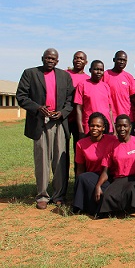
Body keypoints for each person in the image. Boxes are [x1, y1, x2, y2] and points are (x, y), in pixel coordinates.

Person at [16, 48, 74, 209]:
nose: (50, 60)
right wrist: (38, 108)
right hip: (40, 122)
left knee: (60, 160)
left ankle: (59, 195)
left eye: (53, 59)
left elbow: (70, 100)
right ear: (42, 58)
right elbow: (21, 96)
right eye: (47, 58)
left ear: (57, 61)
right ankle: (42, 195)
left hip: (59, 122)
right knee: (42, 159)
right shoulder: (30, 73)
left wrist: (62, 113)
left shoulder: (64, 76)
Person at [94, 115, 135, 216]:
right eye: (119, 126)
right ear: (115, 127)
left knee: (131, 190)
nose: (122, 129)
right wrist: (98, 186)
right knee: (108, 196)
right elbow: (105, 171)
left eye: (125, 126)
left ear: (130, 127)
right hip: (119, 179)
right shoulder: (111, 146)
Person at [73, 112, 117, 215]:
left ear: (103, 128)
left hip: (107, 176)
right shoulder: (81, 144)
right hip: (91, 176)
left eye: (98, 126)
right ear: (88, 126)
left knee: (103, 193)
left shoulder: (111, 140)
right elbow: (80, 169)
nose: (94, 128)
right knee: (82, 178)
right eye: (92, 125)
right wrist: (79, 187)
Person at [75, 60, 113, 137]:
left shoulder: (106, 86)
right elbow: (78, 109)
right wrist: (81, 130)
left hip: (105, 127)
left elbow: (110, 109)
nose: (99, 72)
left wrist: (113, 128)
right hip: (90, 126)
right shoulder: (82, 85)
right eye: (96, 69)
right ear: (90, 70)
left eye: (101, 70)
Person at [66, 51, 90, 173]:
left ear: (86, 62)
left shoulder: (88, 79)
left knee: (79, 151)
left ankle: (78, 180)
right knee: (63, 152)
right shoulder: (65, 74)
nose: (78, 60)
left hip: (79, 121)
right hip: (64, 118)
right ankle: (61, 183)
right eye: (76, 58)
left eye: (81, 58)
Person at [103, 50, 135, 118]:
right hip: (109, 116)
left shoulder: (129, 77)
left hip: (125, 116)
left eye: (124, 60)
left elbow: (133, 98)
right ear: (114, 60)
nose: (122, 62)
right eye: (119, 59)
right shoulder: (105, 75)